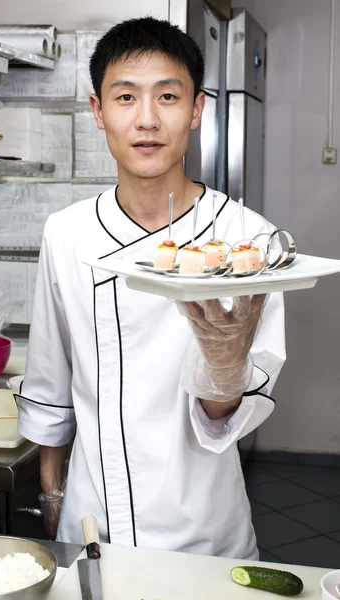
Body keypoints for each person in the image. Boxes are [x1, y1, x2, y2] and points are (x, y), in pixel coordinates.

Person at [15, 16, 285, 560]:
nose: (146, 120)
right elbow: (50, 373)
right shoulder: (67, 233)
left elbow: (228, 420)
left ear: (196, 110)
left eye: (167, 96)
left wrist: (226, 364)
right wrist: (51, 491)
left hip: (205, 532)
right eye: (125, 97)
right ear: (98, 111)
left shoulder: (247, 240)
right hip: (91, 521)